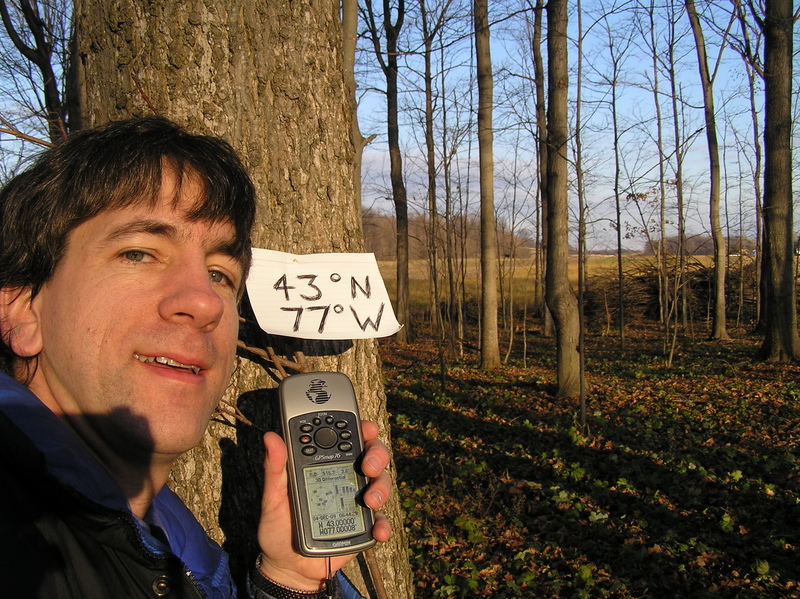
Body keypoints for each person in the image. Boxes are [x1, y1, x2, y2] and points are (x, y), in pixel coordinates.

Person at [0, 117, 393, 599]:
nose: (205, 302)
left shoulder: (175, 551)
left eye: (220, 273)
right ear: (22, 313)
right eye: (139, 253)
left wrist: (292, 582)